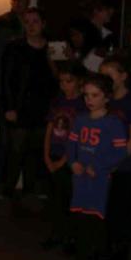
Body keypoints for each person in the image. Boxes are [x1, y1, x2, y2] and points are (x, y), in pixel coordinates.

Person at [66, 74, 128, 260]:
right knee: (81, 221)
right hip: (80, 180)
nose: (89, 100)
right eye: (86, 95)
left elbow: (120, 152)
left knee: (98, 224)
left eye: (95, 95)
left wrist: (99, 167)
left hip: (99, 182)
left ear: (107, 97)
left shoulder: (113, 123)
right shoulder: (80, 119)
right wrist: (73, 162)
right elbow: (71, 144)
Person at [2, 7, 57, 200]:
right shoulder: (15, 47)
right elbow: (7, 79)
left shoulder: (52, 48)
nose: (31, 26)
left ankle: (30, 188)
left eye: (35, 21)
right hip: (20, 105)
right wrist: (10, 106)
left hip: (44, 106)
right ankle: (8, 188)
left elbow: (60, 78)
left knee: (36, 148)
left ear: (43, 24)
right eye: (27, 22)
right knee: (16, 148)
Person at [100, 58, 131, 260]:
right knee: (105, 208)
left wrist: (114, 162)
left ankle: (120, 251)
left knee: (120, 208)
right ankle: (106, 247)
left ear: (123, 76)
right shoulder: (105, 100)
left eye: (109, 75)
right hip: (103, 162)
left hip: (125, 165)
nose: (105, 80)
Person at [41, 62, 86, 250]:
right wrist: (46, 155)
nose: (64, 85)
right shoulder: (57, 101)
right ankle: (56, 234)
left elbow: (79, 137)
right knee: (55, 198)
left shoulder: (83, 105)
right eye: (61, 81)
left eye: (69, 81)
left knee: (70, 198)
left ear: (79, 82)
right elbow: (49, 128)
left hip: (71, 158)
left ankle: (71, 237)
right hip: (54, 153)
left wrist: (63, 161)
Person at [0, 0, 31, 196]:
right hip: (6, 89)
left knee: (27, 139)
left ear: (28, 1)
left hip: (29, 92)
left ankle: (28, 184)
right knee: (5, 139)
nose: (16, 3)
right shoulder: (3, 22)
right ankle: (1, 182)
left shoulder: (33, 21)